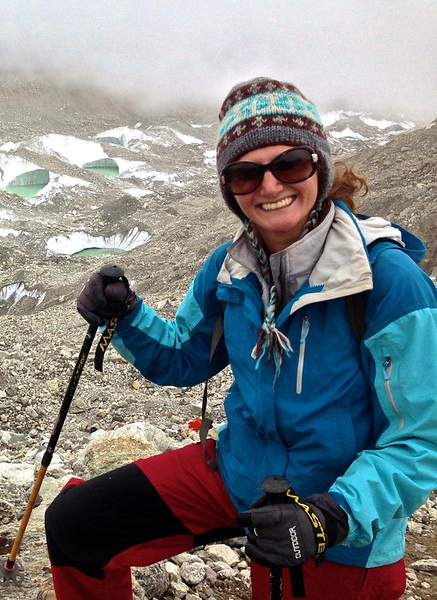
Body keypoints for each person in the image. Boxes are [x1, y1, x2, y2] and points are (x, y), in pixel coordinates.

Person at [43, 77, 437, 599]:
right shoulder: (233, 266)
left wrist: (330, 515)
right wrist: (126, 314)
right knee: (77, 525)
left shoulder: (387, 280)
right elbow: (182, 357)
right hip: (238, 473)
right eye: (246, 174)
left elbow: (420, 440)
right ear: (230, 189)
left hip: (337, 524)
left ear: (320, 163)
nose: (270, 186)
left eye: (291, 163)